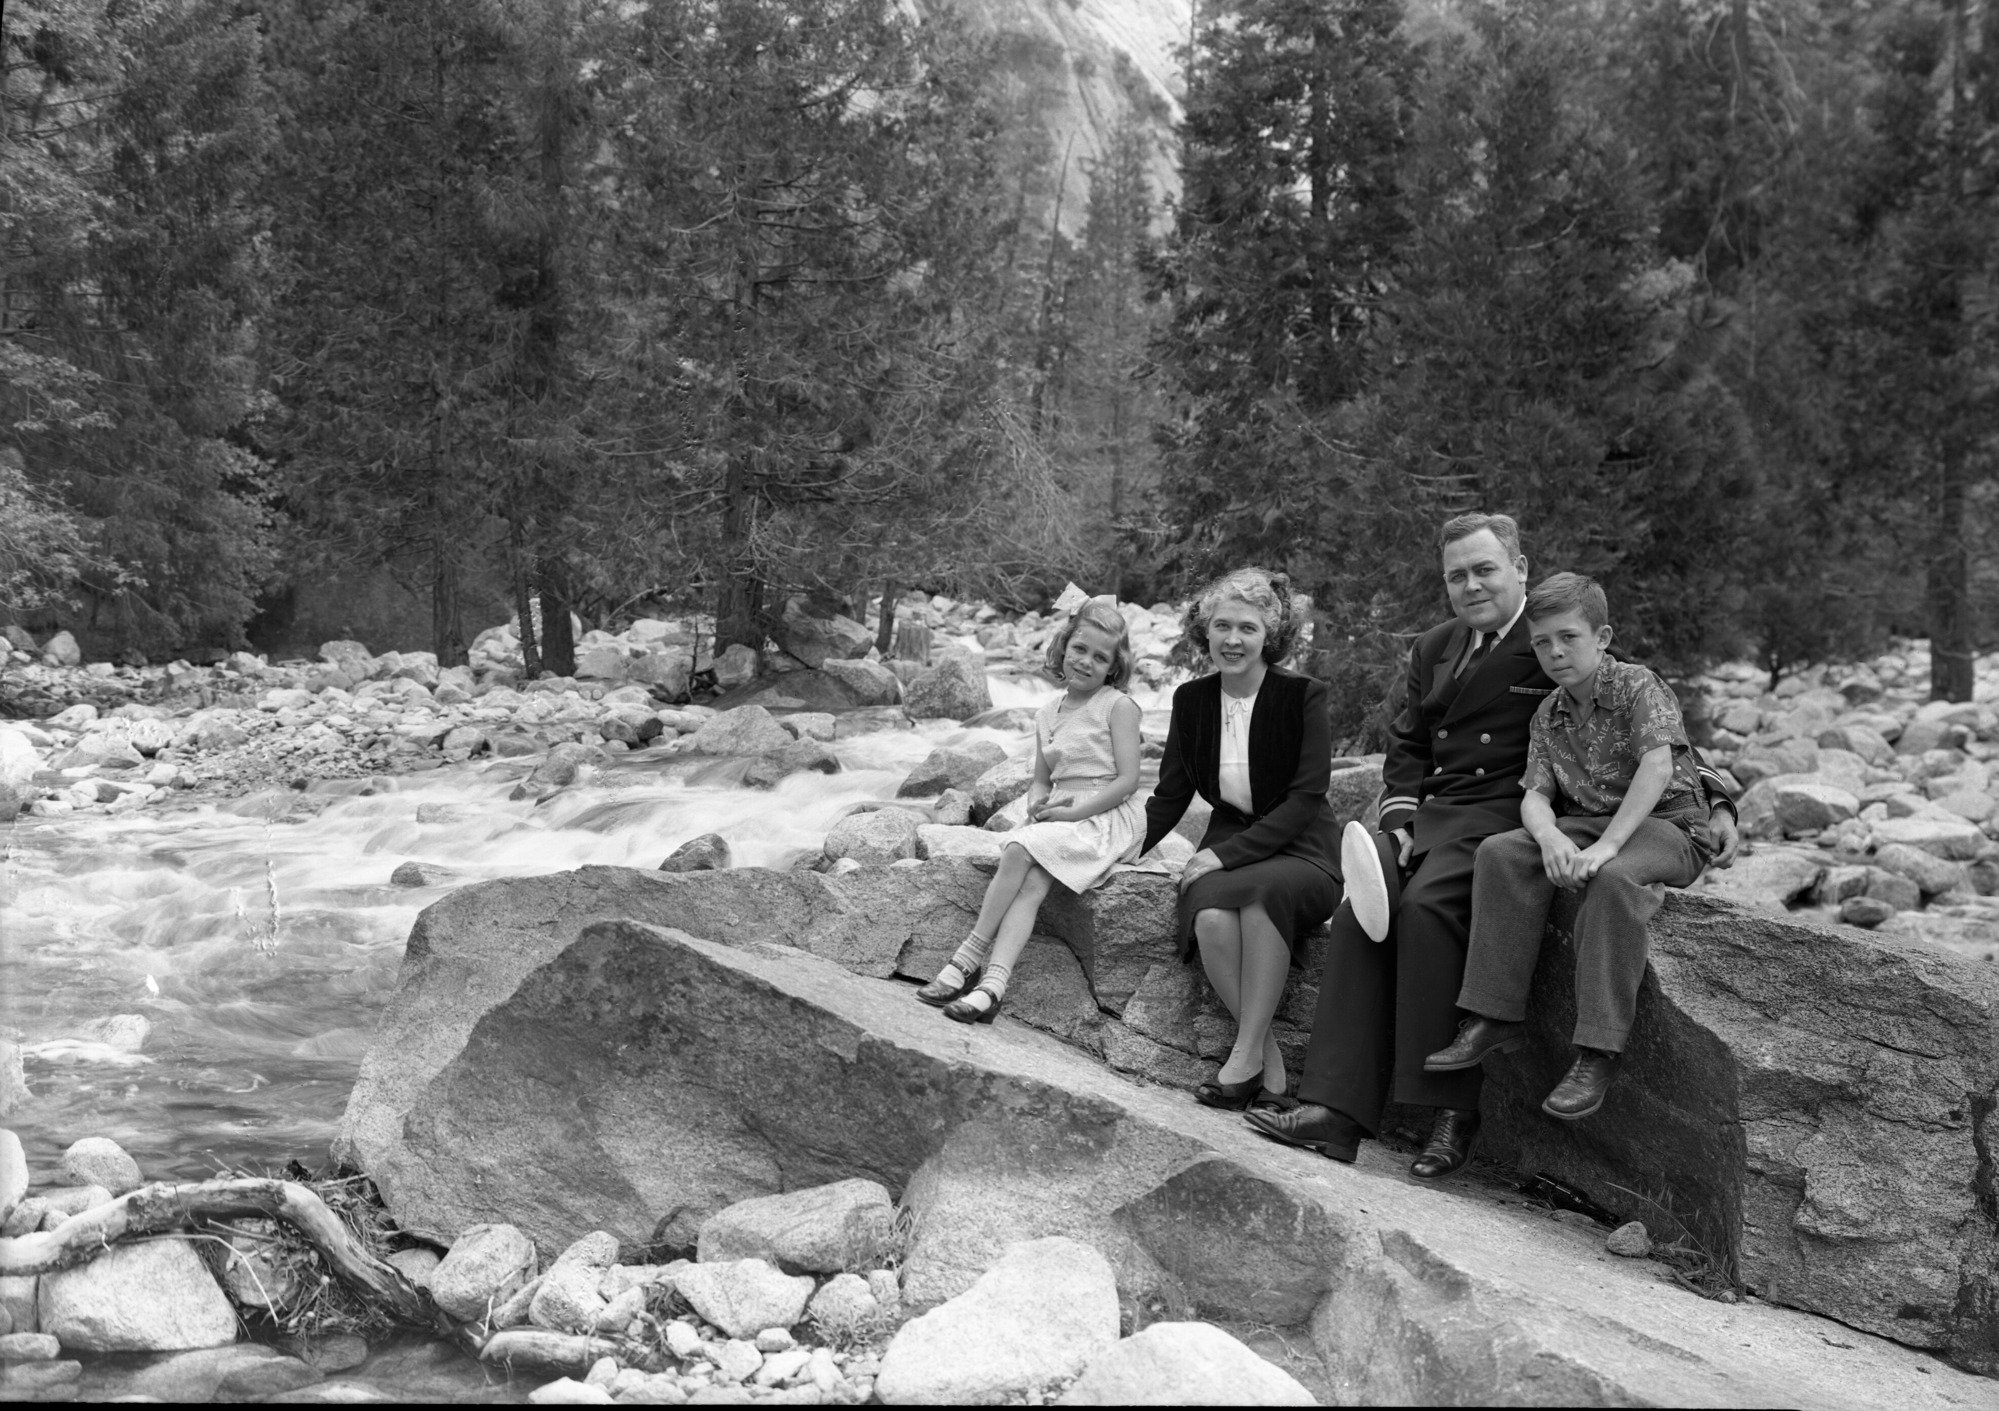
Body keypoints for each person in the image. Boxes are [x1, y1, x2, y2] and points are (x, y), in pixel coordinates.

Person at [1246, 513, 1740, 1176]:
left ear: (1520, 569)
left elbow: (1648, 726)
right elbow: (1409, 747)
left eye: (1484, 569)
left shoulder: (1550, 639)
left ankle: (1447, 1113)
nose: (1471, 584)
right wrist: (1401, 820)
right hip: (1439, 818)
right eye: (1456, 574)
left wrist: (1717, 797)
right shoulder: (1433, 648)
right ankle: (1333, 1109)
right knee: (1362, 914)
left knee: (1424, 908)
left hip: (1503, 816)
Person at [1421, 572, 1711, 1118]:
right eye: (1542, 642)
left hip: (1669, 825)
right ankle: (1495, 1014)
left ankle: (1598, 1049)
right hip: (1587, 823)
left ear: (1601, 637)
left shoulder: (1636, 686)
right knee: (1501, 852)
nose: (1554, 652)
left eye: (1568, 638)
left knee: (1613, 876)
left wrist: (1608, 847)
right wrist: (1549, 833)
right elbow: (1535, 794)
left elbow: (1657, 765)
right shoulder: (1548, 713)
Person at [1138, 568, 1343, 1110]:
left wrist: (1220, 855)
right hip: (1231, 840)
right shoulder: (1192, 700)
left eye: (1247, 628)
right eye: (1222, 625)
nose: (1233, 640)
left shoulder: (1304, 696)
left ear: (1269, 636)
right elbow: (1169, 796)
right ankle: (1266, 1061)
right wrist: (1118, 847)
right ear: (1203, 631)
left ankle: (1244, 1058)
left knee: (1260, 898)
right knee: (1207, 917)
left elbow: (1305, 799)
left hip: (1304, 847)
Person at [915, 597, 1145, 1024]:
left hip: (1105, 816)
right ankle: (993, 986)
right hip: (1064, 810)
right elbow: (1042, 778)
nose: (1086, 662)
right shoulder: (1046, 712)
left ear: (1114, 666)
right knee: (1033, 882)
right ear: (1063, 646)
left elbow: (1128, 782)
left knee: (1017, 850)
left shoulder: (1118, 706)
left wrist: (1075, 814)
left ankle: (965, 959)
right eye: (1079, 649)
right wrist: (1040, 802)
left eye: (1100, 657)